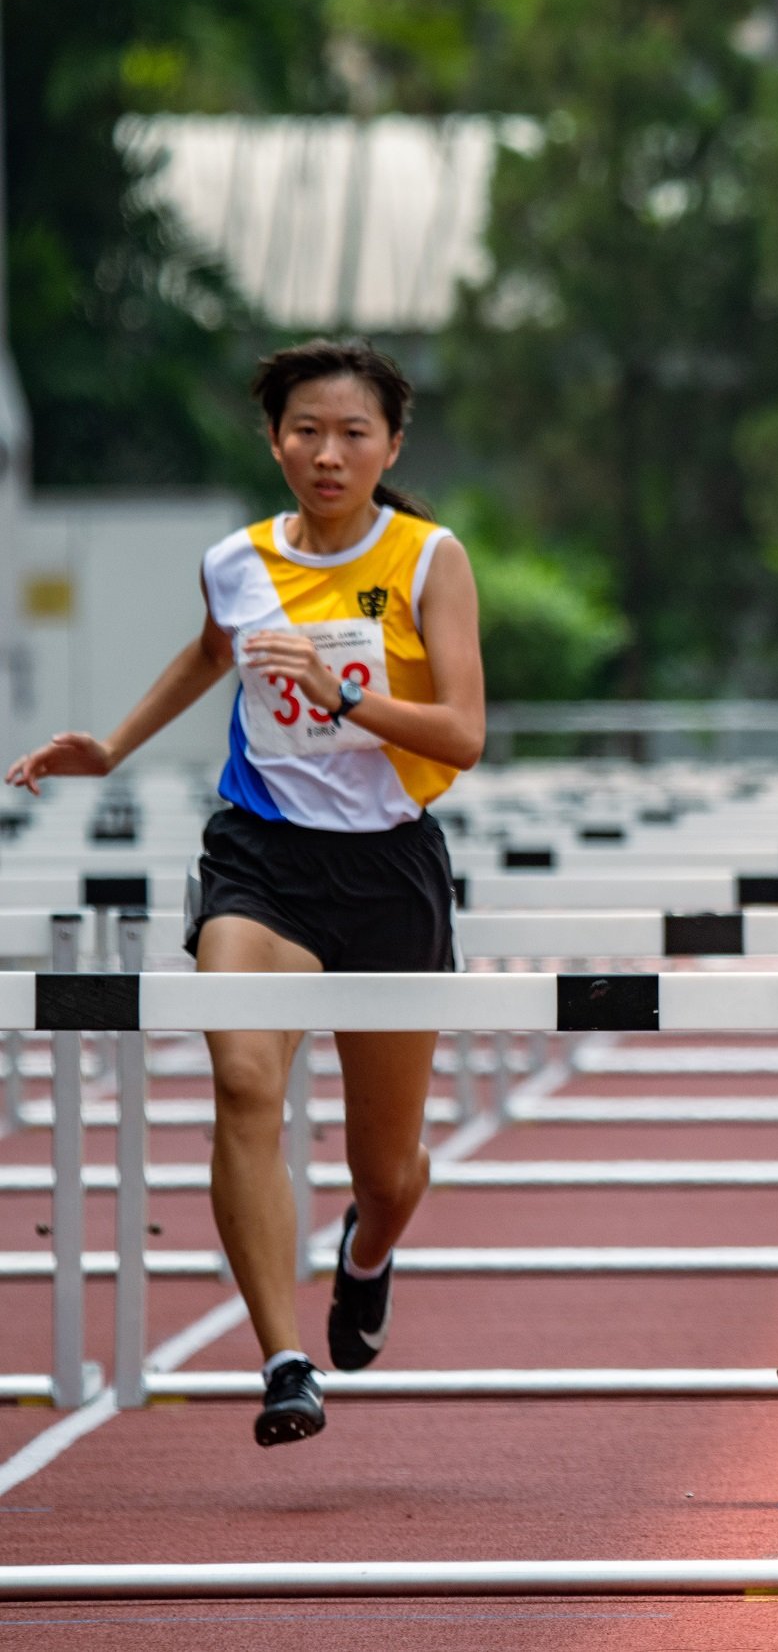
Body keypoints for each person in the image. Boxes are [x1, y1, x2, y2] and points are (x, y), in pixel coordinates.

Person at [6, 341, 484, 1448]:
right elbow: (213, 649)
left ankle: (367, 1249)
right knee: (241, 1078)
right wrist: (113, 744)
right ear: (273, 440)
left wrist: (345, 695)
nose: (328, 452)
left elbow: (463, 734)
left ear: (391, 447)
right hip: (261, 857)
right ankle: (282, 1358)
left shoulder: (428, 558)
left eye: (353, 433)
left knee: (390, 1166)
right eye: (306, 430)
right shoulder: (236, 557)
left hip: (388, 868)